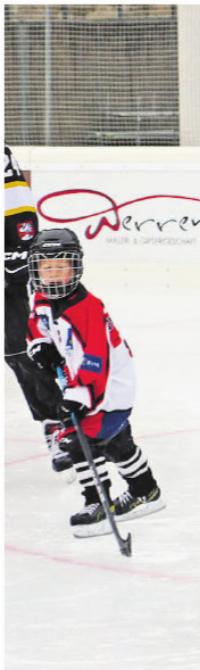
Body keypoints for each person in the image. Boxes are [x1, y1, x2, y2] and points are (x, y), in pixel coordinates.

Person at [25, 229, 165, 536]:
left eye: (62, 266)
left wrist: (79, 395)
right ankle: (145, 490)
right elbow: (37, 322)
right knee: (117, 442)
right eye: (47, 268)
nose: (54, 275)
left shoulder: (87, 308)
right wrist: (41, 344)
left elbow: (96, 361)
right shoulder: (41, 294)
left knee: (78, 441)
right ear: (36, 270)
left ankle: (97, 501)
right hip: (84, 381)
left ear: (76, 267)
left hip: (110, 387)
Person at [5, 144, 71, 474]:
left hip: (7, 286)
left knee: (21, 353)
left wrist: (11, 266)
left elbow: (21, 226)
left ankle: (56, 422)